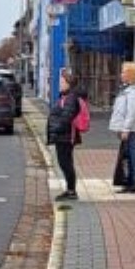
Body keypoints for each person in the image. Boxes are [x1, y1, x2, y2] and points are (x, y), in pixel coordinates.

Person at [108, 61, 135, 194]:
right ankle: (129, 182)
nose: (121, 74)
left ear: (130, 75)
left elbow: (131, 113)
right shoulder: (127, 90)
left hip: (131, 129)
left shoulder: (134, 93)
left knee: (131, 155)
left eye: (124, 72)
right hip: (129, 128)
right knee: (128, 155)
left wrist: (126, 129)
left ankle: (133, 183)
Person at [46, 68, 83, 201]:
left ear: (69, 83)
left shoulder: (71, 98)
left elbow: (67, 117)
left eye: (62, 82)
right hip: (62, 135)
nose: (60, 84)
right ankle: (70, 189)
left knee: (65, 163)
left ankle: (71, 191)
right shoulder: (65, 96)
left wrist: (56, 129)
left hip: (65, 136)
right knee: (64, 163)